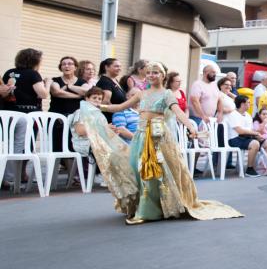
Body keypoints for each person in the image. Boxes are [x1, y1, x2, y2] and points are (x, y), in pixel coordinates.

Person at [89, 62, 242, 224]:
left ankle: (148, 211)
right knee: (136, 168)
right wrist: (100, 106)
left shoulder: (167, 94)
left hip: (157, 138)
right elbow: (120, 107)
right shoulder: (142, 94)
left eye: (155, 72)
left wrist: (191, 126)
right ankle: (142, 205)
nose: (151, 75)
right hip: (140, 137)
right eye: (149, 72)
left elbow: (179, 113)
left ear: (163, 76)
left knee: (152, 170)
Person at [2, 48, 51, 185]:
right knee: (25, 146)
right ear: (35, 61)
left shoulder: (9, 72)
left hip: (10, 113)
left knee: (10, 145)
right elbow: (43, 94)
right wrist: (48, 84)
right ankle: (14, 176)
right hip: (29, 115)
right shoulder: (33, 74)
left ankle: (16, 175)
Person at [49, 55, 88, 152]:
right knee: (57, 147)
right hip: (57, 118)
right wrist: (77, 96)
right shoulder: (55, 80)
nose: (67, 66)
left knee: (72, 147)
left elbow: (86, 92)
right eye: (64, 64)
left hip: (75, 119)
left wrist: (69, 86)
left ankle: (70, 167)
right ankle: (57, 167)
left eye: (70, 64)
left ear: (75, 67)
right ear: (60, 67)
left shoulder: (82, 81)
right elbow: (57, 92)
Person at [224, 95, 262, 177]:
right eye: (248, 102)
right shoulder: (233, 114)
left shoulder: (248, 115)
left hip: (246, 137)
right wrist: (255, 134)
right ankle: (249, 169)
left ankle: (263, 168)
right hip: (234, 139)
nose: (250, 104)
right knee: (255, 143)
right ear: (242, 104)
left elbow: (251, 130)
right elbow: (239, 131)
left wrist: (257, 135)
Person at [96, 58, 126, 123]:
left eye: (120, 66)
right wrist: (117, 111)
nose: (119, 68)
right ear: (107, 67)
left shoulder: (114, 80)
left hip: (119, 117)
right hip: (110, 119)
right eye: (116, 66)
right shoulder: (105, 81)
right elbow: (104, 103)